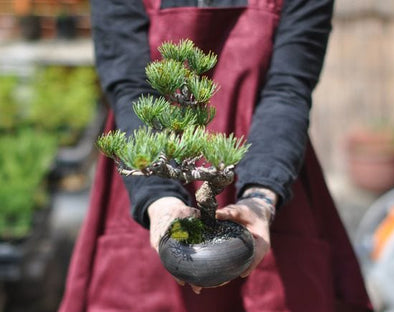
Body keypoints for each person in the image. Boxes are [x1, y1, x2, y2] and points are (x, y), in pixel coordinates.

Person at [59, 0, 373, 311]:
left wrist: (260, 198)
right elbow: (131, 87)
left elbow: (288, 88)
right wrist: (158, 198)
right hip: (153, 161)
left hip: (266, 156)